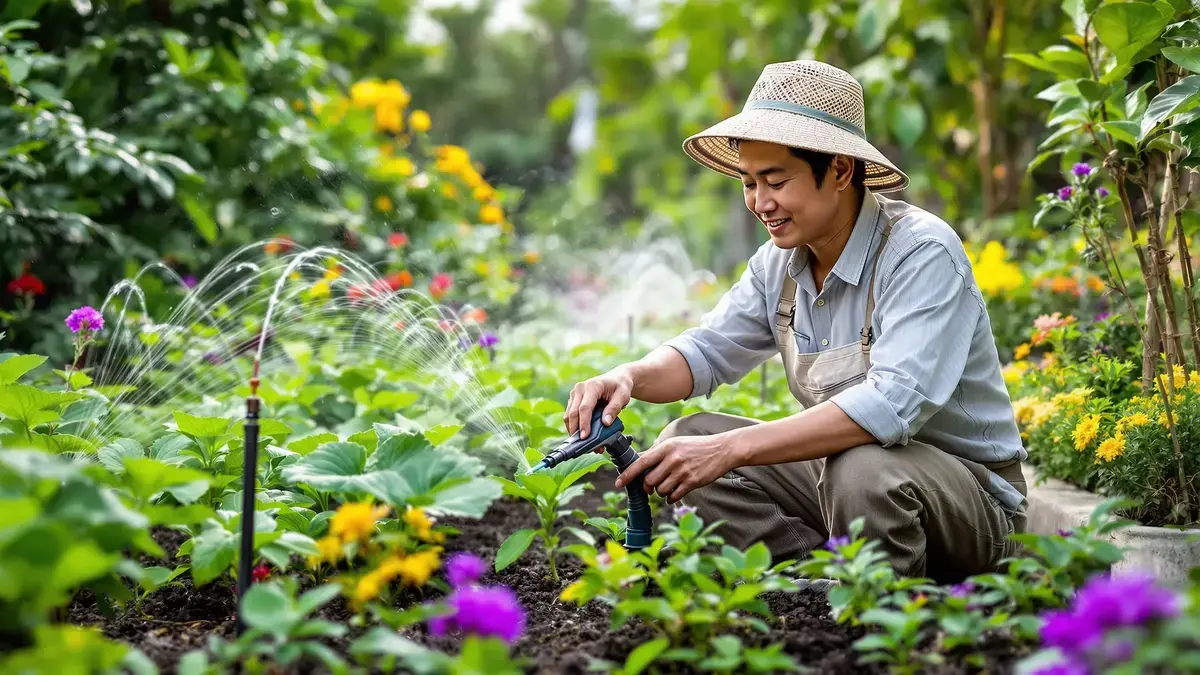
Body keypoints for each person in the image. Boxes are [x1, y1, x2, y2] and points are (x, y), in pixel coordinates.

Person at [562, 60, 1027, 584]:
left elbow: (890, 406)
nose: (761, 203)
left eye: (777, 181)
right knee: (687, 440)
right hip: (849, 486)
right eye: (749, 183)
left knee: (859, 467)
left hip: (972, 508)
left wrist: (729, 449)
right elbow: (708, 351)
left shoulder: (920, 251)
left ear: (841, 171)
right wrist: (627, 377)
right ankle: (809, 588)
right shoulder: (778, 264)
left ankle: (891, 602)